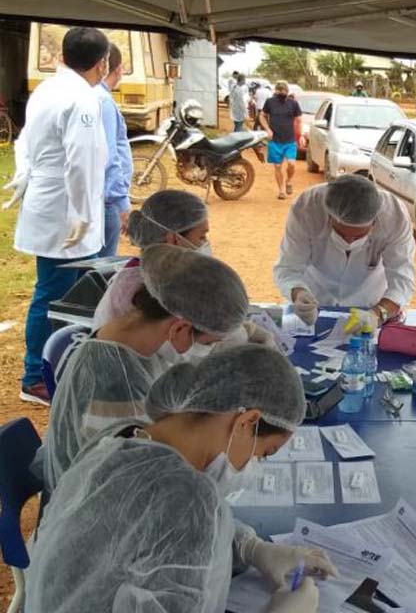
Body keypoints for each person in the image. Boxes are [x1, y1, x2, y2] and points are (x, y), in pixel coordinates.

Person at [28, 345, 334, 613]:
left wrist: (250, 548)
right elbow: (181, 519)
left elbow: (153, 530)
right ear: (246, 422)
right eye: (263, 453)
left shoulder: (125, 437)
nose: (253, 465)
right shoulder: (189, 498)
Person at [44, 243, 250, 492]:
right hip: (98, 508)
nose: (206, 351)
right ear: (180, 328)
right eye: (208, 344)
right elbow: (131, 487)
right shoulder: (113, 384)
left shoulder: (129, 334)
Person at [13, 26, 109, 404]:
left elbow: (26, 142)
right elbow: (81, 163)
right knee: (56, 294)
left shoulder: (48, 89)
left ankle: (48, 368)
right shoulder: (83, 99)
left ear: (64, 55)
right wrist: (84, 214)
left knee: (54, 290)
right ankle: (36, 376)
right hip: (66, 209)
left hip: (50, 201)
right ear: (102, 64)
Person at [274, 175, 415, 328]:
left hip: (371, 303)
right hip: (314, 303)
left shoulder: (395, 216)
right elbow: (288, 267)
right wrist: (299, 294)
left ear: (375, 221)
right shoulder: (306, 208)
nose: (349, 241)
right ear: (329, 218)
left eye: (359, 236)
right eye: (342, 234)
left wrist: (378, 314)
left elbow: (402, 279)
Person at [92, 189, 209, 331]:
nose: (206, 244)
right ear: (173, 239)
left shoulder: (163, 277)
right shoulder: (145, 291)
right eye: (202, 237)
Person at [97, 43, 133, 258]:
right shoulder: (104, 102)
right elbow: (109, 157)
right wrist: (122, 204)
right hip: (106, 200)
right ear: (118, 69)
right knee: (101, 270)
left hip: (98, 197)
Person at [260, 81, 302, 200]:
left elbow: (299, 120)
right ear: (275, 91)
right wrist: (268, 129)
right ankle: (281, 190)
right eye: (279, 90)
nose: (281, 92)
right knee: (277, 166)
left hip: (290, 140)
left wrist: (301, 135)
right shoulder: (270, 102)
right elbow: (262, 115)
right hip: (275, 140)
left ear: (287, 92)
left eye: (283, 91)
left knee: (291, 164)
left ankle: (288, 181)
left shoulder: (293, 104)